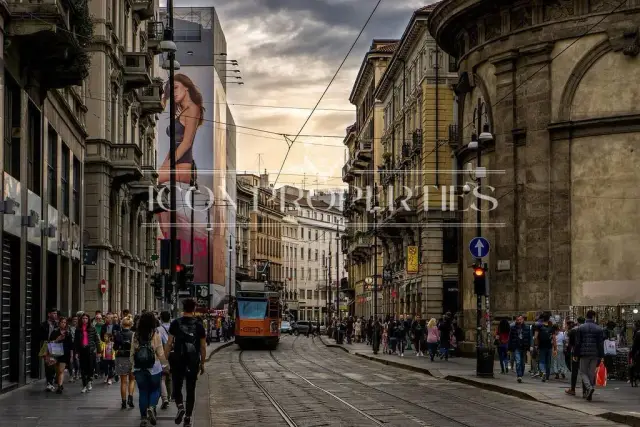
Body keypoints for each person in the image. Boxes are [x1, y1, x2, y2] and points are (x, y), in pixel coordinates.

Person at [165, 299, 207, 427]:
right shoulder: (199, 325)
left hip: (178, 359)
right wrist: (202, 363)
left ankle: (180, 406)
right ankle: (188, 418)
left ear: (183, 308)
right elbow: (203, 347)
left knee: (176, 387)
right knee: (191, 389)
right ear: (194, 309)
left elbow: (169, 343)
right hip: (193, 360)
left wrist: (165, 360)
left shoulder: (175, 323)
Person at [131, 312, 169, 427]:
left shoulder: (135, 335)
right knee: (155, 390)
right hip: (154, 367)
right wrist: (165, 365)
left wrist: (132, 367)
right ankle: (152, 407)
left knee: (143, 392)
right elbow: (160, 352)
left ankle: (143, 418)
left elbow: (132, 352)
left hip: (139, 367)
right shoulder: (155, 333)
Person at [575, 310, 605, 401]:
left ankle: (589, 387)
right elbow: (600, 343)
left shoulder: (580, 328)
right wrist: (602, 355)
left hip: (584, 353)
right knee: (591, 373)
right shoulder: (599, 328)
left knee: (583, 372)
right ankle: (590, 389)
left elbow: (578, 342)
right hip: (595, 353)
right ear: (594, 317)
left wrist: (576, 354)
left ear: (586, 316)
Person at [114, 316, 136, 409]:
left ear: (122, 324)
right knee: (132, 380)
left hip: (121, 357)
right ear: (131, 324)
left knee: (123, 381)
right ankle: (130, 397)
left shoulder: (118, 334)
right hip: (131, 358)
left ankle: (123, 402)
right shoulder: (133, 334)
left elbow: (115, 347)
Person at [74, 312, 99, 393]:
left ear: (88, 320)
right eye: (83, 318)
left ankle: (89, 381)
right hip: (82, 350)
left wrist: (99, 350)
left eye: (86, 318)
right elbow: (76, 342)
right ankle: (84, 385)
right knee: (83, 368)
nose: (85, 320)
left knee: (90, 368)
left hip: (91, 350)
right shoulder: (78, 329)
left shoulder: (92, 328)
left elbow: (97, 340)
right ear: (81, 320)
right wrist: (76, 352)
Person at [48, 317, 74, 394]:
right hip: (56, 353)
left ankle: (60, 386)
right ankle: (60, 384)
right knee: (57, 370)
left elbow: (71, 345)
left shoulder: (68, 333)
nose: (63, 324)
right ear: (59, 323)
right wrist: (57, 339)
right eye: (62, 322)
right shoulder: (55, 332)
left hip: (65, 353)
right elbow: (50, 342)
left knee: (61, 370)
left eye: (65, 322)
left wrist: (72, 355)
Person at [508, 314, 531, 383]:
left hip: (524, 347)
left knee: (523, 362)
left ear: (523, 319)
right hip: (516, 347)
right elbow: (510, 338)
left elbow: (529, 338)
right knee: (518, 361)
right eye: (518, 320)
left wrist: (529, 346)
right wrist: (510, 347)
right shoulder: (513, 328)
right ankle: (519, 375)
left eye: (520, 319)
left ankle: (521, 374)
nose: (519, 321)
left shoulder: (527, 327)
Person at [39, 307, 59, 391]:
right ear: (49, 314)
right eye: (53, 313)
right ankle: (49, 382)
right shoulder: (43, 324)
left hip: (56, 345)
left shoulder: (57, 324)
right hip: (46, 345)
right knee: (48, 364)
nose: (55, 315)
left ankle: (52, 379)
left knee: (54, 363)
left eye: (56, 313)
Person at [157, 311, 172, 409]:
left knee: (162, 376)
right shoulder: (173, 327)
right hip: (173, 353)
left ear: (161, 318)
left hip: (163, 353)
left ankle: (165, 398)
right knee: (169, 376)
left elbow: (157, 343)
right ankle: (169, 397)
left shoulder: (158, 329)